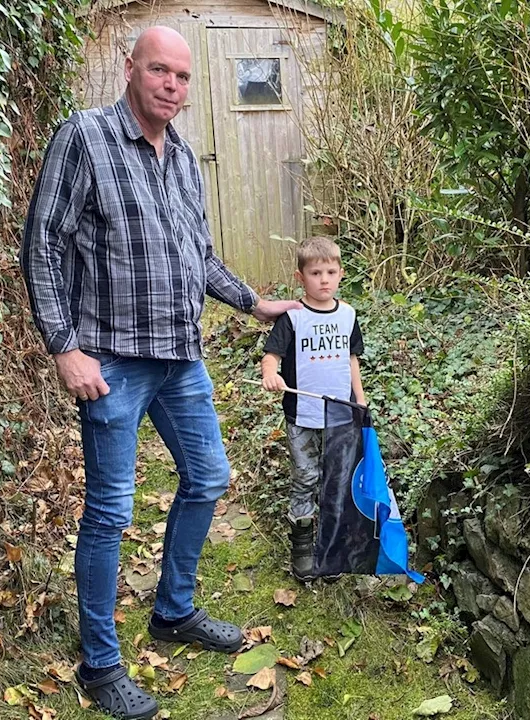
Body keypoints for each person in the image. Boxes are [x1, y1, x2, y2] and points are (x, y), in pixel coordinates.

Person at [20, 26, 298, 720]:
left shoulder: (180, 160)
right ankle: (100, 663)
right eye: (158, 72)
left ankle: (173, 611)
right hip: (109, 359)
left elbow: (197, 256)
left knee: (209, 477)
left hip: (180, 356)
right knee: (112, 512)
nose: (171, 85)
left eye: (181, 76)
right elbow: (42, 246)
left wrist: (254, 303)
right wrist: (63, 346)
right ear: (130, 70)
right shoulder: (83, 137)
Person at [260, 237, 367, 579]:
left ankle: (331, 545)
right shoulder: (293, 317)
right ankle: (303, 547)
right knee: (306, 476)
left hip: (340, 414)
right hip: (302, 415)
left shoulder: (348, 315)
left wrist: (359, 400)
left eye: (331, 272)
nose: (324, 279)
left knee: (336, 479)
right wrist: (270, 374)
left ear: (341, 274)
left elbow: (351, 360)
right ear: (300, 277)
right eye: (316, 272)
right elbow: (271, 355)